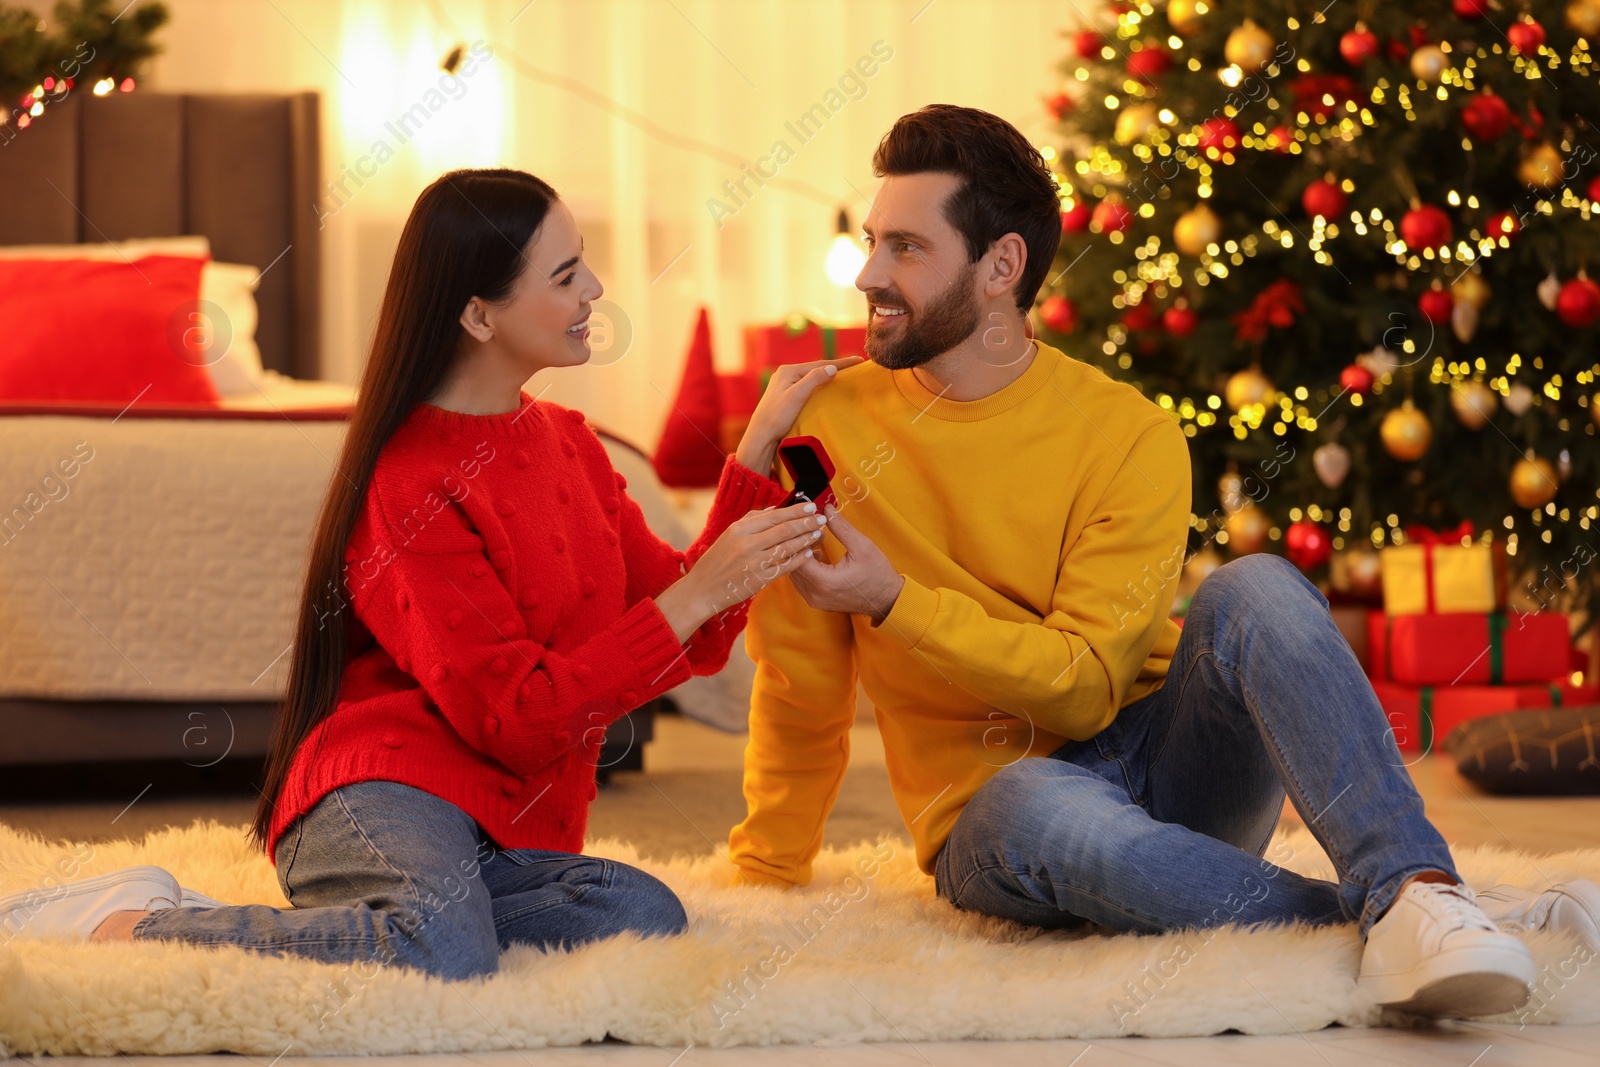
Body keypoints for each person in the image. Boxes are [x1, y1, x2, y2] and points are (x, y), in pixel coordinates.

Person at [726, 105, 1600, 1020]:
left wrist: (898, 601)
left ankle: (1413, 884)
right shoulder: (824, 424)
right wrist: (764, 870)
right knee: (1032, 798)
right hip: (994, 818)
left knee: (1255, 584)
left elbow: (1085, 691)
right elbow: (799, 676)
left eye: (904, 247)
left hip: (1171, 769)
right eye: (873, 241)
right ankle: (1420, 914)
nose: (868, 274)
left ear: (1001, 267)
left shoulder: (1127, 433)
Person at [1, 168, 855, 979]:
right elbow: (518, 716)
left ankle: (429, 911)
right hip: (385, 786)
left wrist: (753, 447)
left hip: (510, 824)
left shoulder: (571, 442)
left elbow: (690, 637)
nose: (595, 290)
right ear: (479, 316)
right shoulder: (407, 483)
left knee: (640, 911)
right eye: (566, 274)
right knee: (442, 953)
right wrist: (697, 591)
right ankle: (135, 921)